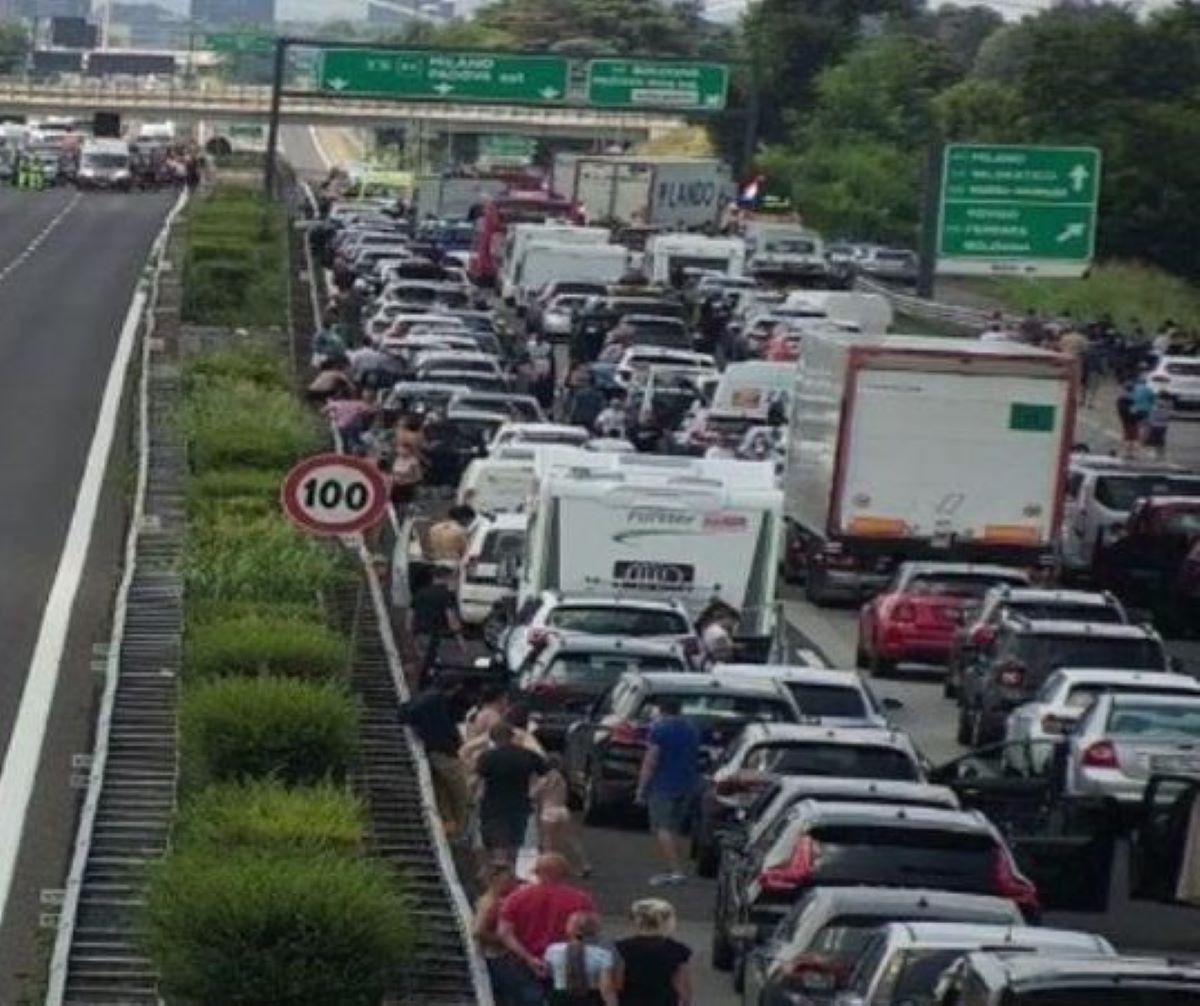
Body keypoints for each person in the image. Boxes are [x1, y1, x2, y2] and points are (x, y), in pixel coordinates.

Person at [498, 853, 597, 1006]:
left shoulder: (517, 897)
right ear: (564, 874)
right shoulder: (581, 900)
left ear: (538, 872)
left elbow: (504, 933)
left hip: (523, 964)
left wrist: (528, 958)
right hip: (566, 965)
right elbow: (592, 932)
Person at [635, 696, 700, 886]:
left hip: (663, 784)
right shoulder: (692, 729)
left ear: (661, 710)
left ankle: (676, 871)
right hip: (687, 783)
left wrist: (641, 789)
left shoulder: (659, 730)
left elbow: (651, 761)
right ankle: (673, 866)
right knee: (674, 828)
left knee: (661, 828)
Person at [397, 686, 471, 840]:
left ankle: (449, 827)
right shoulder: (434, 701)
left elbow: (405, 711)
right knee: (461, 793)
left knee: (442, 792)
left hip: (436, 752)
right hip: (443, 753)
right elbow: (462, 795)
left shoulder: (428, 699)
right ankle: (457, 831)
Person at [477, 723, 548, 864]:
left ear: (493, 739)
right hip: (520, 805)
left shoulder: (488, 757)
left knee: (498, 847)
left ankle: (499, 878)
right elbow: (546, 774)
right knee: (514, 847)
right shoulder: (528, 755)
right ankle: (510, 877)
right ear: (512, 737)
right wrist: (534, 791)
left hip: (494, 807)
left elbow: (478, 780)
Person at [613, 899, 692, 1006]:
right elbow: (682, 984)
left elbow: (618, 982)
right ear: (666, 922)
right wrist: (686, 1002)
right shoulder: (677, 950)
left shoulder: (621, 948)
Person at [407, 564, 467, 687]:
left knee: (421, 660)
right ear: (446, 578)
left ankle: (418, 686)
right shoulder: (446, 595)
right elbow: (451, 618)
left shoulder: (420, 593)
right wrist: (460, 639)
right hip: (434, 634)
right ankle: (422, 687)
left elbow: (409, 616)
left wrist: (410, 634)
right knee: (429, 663)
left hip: (419, 633)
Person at [543, 912, 618, 1006]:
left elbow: (546, 974)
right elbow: (606, 988)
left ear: (570, 929)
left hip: (560, 997)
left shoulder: (553, 949)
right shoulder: (603, 955)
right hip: (590, 998)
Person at [536, 754, 592, 877]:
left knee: (548, 842)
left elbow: (536, 793)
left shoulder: (546, 778)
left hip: (549, 811)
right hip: (562, 810)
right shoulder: (563, 779)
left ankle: (546, 868)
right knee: (571, 839)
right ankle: (585, 864)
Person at [1116, 381, 1141, 459]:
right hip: (1133, 420)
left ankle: (1127, 452)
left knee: (1128, 437)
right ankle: (1131, 453)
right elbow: (1136, 410)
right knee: (1133, 437)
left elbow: (1121, 410)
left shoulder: (1121, 399)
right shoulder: (1133, 399)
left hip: (1126, 420)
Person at [1144, 390, 1172, 459]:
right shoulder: (1168, 404)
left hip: (1155, 424)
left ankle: (1154, 454)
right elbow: (1168, 415)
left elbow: (1152, 414)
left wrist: (1148, 422)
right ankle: (1161, 454)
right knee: (1161, 440)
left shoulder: (1156, 404)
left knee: (1153, 440)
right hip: (1163, 425)